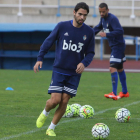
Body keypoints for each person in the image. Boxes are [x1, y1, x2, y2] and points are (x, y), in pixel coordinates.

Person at [33, 2, 95, 136]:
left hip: (74, 73)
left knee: (65, 101)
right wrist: (40, 58)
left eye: (85, 15)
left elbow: (90, 53)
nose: (82, 17)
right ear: (74, 12)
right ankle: (45, 112)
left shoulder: (89, 32)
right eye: (80, 14)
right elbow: (48, 42)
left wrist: (84, 63)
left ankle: (51, 128)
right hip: (59, 70)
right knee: (55, 101)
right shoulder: (62, 26)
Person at [93, 3, 129, 100]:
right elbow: (97, 28)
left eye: (103, 11)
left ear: (107, 10)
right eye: (100, 11)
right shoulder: (103, 19)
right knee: (120, 68)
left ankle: (113, 92)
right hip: (115, 46)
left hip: (118, 46)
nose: (101, 13)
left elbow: (120, 31)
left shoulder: (112, 19)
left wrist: (107, 35)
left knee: (112, 68)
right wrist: (88, 33)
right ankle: (125, 92)